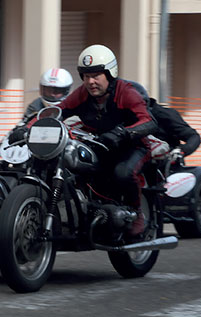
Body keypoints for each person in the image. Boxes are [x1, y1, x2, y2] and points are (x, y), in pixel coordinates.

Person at [57, 44, 159, 238]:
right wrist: (28, 127)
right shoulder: (82, 94)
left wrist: (122, 133)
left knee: (123, 172)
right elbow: (58, 111)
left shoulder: (125, 92)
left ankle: (137, 214)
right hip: (101, 146)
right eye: (86, 76)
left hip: (133, 146)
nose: (90, 81)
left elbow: (150, 121)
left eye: (96, 76)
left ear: (110, 74)